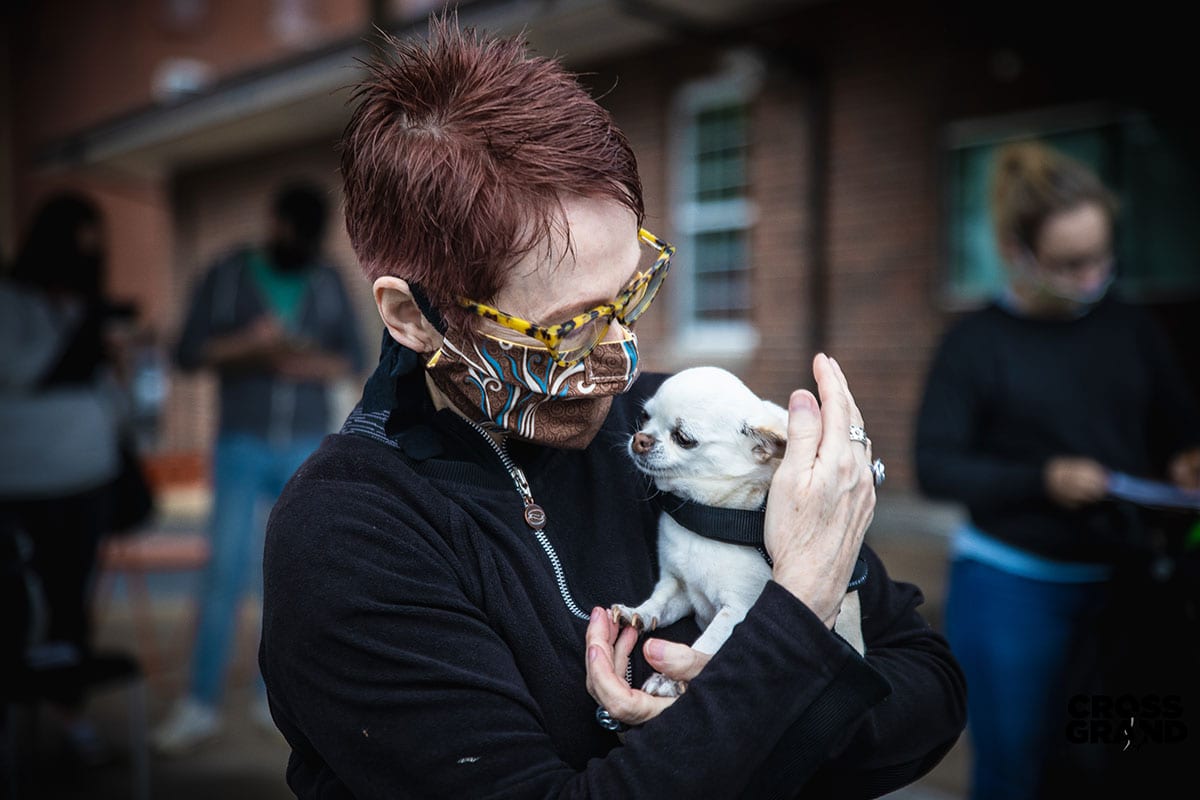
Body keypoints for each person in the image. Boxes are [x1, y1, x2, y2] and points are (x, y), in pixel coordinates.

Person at [257, 18, 966, 798]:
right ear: (412, 316)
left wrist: (730, 714)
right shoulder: (349, 536)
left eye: (632, 291)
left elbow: (928, 686)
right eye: (565, 328)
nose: (621, 354)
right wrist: (792, 628)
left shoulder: (674, 425)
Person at [914, 140, 1200, 799]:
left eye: (1102, 256)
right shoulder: (975, 344)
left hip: (1129, 587)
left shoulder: (1132, 327)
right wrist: (1042, 479)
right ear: (1019, 253)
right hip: (1013, 589)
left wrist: (1185, 456)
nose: (1093, 275)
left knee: (1122, 766)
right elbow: (936, 467)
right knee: (1016, 769)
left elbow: (1177, 424)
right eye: (1070, 263)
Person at [152, 180, 367, 754]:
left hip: (304, 444)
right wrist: (249, 347)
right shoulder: (226, 274)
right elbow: (186, 352)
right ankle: (199, 702)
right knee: (224, 571)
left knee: (292, 576)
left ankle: (270, 696)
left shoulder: (326, 279)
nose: (295, 240)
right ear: (273, 221)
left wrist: (298, 364)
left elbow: (354, 357)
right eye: (289, 228)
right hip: (239, 443)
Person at [0, 191, 133, 764]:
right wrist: (82, 337)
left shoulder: (84, 303)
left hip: (89, 474)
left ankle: (70, 720)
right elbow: (21, 370)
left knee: (70, 606)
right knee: (14, 605)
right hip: (22, 478)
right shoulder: (12, 300)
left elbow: (115, 402)